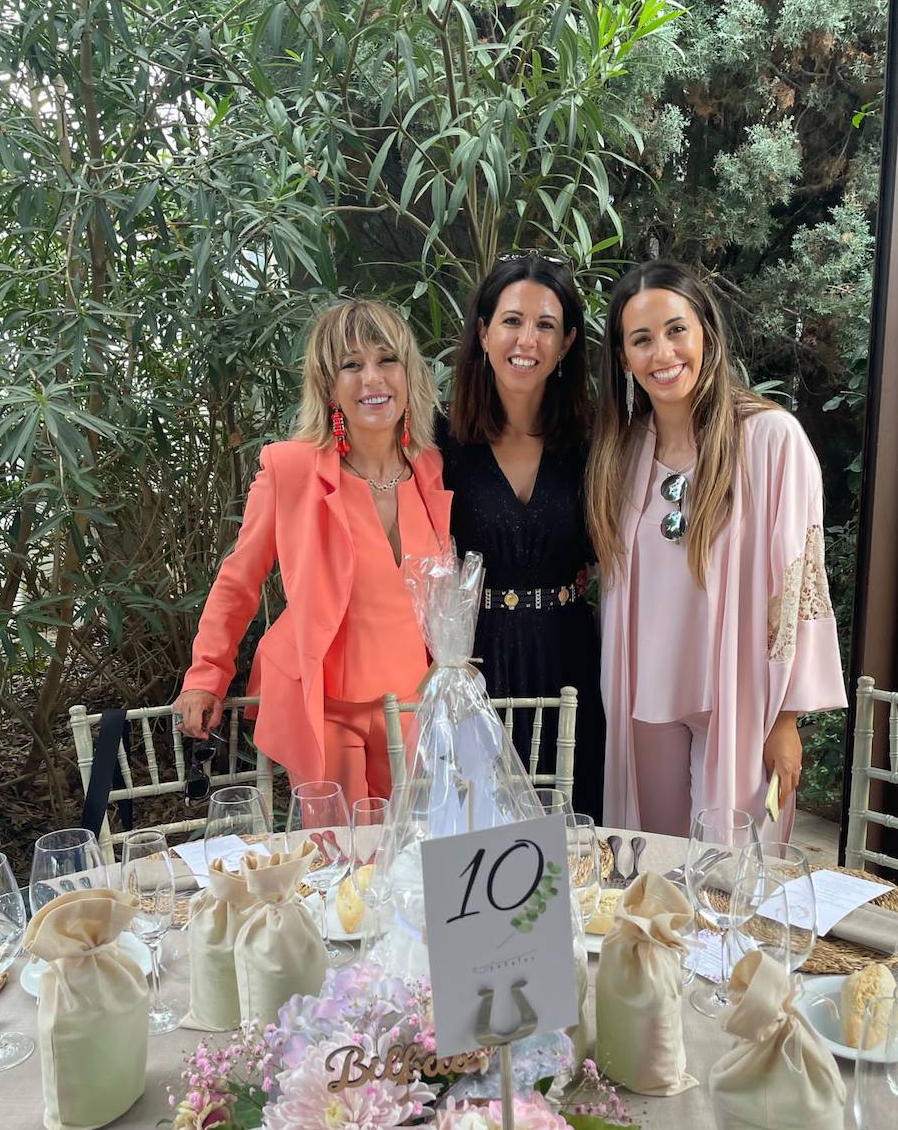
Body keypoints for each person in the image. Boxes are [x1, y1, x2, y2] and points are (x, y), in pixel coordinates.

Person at [587, 260, 847, 838]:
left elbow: (803, 584)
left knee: (731, 890)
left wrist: (787, 719)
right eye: (642, 339)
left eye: (676, 330)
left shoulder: (771, 440)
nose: (662, 353)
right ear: (624, 359)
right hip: (645, 706)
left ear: (705, 331)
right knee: (651, 879)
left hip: (740, 707)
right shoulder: (620, 456)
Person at [173, 299, 451, 807]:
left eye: (387, 360)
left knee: (412, 858)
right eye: (352, 364)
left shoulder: (431, 468)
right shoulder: (291, 469)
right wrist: (207, 674)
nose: (373, 378)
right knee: (341, 859)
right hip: (326, 702)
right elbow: (240, 579)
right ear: (328, 386)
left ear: (409, 373)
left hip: (412, 703)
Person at [440, 254, 605, 820]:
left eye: (546, 325)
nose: (526, 340)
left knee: (576, 827)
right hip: (475, 665)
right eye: (511, 321)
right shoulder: (440, 443)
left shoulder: (595, 442)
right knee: (482, 833)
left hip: (572, 661)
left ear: (567, 344)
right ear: (484, 332)